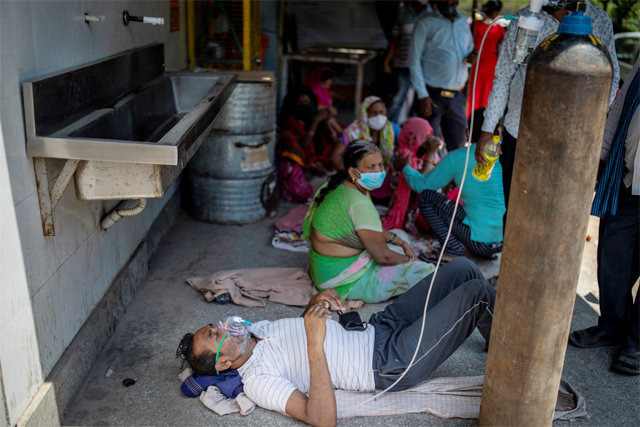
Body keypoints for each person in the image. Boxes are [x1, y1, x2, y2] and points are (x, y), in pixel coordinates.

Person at [177, 257, 496, 425]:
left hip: (378, 328)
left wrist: (315, 302)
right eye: (216, 334)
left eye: (216, 325)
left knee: (463, 269)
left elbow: (297, 329)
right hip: (389, 361)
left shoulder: (256, 329)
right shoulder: (258, 381)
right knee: (476, 295)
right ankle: (514, 357)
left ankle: (491, 331)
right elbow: (322, 419)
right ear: (223, 362)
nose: (224, 325)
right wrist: (315, 344)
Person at [476, 0, 619, 222]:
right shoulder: (526, 19)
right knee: (515, 212)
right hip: (520, 131)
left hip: (570, 142)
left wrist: (591, 121)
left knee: (552, 217)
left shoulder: (599, 20)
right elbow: (504, 75)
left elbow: (612, 75)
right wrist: (487, 129)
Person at [569, 58, 639, 376]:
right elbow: (623, 102)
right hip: (627, 177)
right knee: (612, 258)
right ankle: (611, 326)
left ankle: (635, 343)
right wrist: (602, 156)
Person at [302, 140, 435, 303]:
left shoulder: (343, 184)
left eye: (380, 165)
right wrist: (411, 260)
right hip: (340, 282)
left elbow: (371, 230)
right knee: (426, 272)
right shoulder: (358, 202)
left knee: (399, 235)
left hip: (323, 269)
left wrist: (402, 243)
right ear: (354, 172)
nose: (379, 171)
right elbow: (383, 257)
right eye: (371, 167)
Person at [397, 141, 505, 261]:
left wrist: (405, 167)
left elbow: (422, 185)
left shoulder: (459, 156)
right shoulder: (507, 152)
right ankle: (486, 250)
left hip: (478, 241)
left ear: (467, 131)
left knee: (426, 197)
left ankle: (452, 250)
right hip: (503, 242)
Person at [408, 0, 476, 151]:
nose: (450, 1)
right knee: (426, 148)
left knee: (457, 147)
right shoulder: (425, 23)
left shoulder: (463, 22)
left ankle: (452, 176)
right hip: (431, 95)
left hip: (456, 96)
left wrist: (470, 58)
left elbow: (470, 49)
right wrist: (422, 95)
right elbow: (413, 60)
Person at [382, 117, 438, 230]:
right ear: (415, 135)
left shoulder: (418, 155)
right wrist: (431, 154)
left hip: (412, 206)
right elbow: (420, 181)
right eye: (425, 136)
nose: (429, 139)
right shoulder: (403, 155)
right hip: (403, 207)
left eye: (429, 135)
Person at [343, 96, 401, 201]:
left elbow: (406, 142)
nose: (378, 116)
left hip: (384, 178)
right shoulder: (353, 131)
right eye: (374, 113)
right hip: (360, 179)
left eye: (381, 112)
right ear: (365, 113)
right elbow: (335, 156)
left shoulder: (391, 129)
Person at [382, 0, 431, 124]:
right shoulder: (403, 14)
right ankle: (391, 131)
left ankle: (416, 131)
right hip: (403, 64)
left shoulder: (431, 14)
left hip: (423, 67)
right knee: (397, 99)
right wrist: (387, 62)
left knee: (420, 101)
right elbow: (394, 40)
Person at [467, 0, 505, 117]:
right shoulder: (496, 29)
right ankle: (474, 119)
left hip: (483, 64)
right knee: (477, 92)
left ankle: (475, 119)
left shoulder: (477, 25)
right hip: (479, 63)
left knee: (479, 92)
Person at [304, 67, 344, 139]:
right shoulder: (313, 92)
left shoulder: (326, 90)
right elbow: (316, 107)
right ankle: (342, 137)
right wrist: (328, 108)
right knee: (332, 124)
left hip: (327, 117)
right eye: (325, 84)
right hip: (317, 118)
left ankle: (342, 137)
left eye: (329, 84)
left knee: (331, 122)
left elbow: (330, 104)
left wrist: (332, 110)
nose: (327, 86)